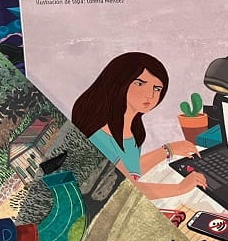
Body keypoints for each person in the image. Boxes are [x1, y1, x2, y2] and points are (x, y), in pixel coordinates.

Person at [72, 52, 206, 199]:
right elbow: (124, 187)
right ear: (118, 81)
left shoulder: (133, 130)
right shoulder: (98, 134)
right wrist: (179, 188)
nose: (150, 95)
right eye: (140, 83)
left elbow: (129, 171)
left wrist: (169, 149)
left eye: (157, 88)